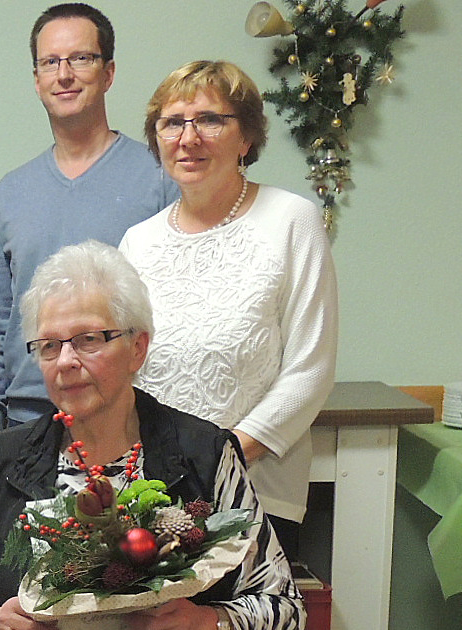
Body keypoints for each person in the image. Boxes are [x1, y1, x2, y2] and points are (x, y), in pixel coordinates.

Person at [0, 241, 304, 630]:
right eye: (48, 346)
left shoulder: (203, 453)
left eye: (89, 339)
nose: (66, 362)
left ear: (138, 347)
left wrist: (205, 625)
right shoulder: (5, 459)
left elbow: (284, 611)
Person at [119, 60, 337, 543]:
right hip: (153, 493)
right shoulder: (138, 242)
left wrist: (224, 458)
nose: (188, 137)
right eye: (172, 123)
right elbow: (123, 366)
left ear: (246, 138)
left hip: (253, 490)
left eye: (210, 119)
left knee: (230, 622)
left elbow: (310, 370)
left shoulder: (291, 221)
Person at [0, 3, 178, 434]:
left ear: (109, 72)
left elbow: (178, 311)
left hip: (133, 419)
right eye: (50, 62)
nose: (64, 74)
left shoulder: (160, 180)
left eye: (81, 58)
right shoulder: (6, 197)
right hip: (26, 420)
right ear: (37, 79)